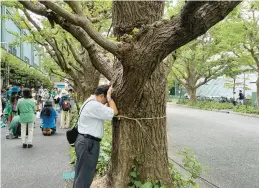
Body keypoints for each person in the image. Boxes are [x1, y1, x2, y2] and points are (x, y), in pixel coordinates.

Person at [73, 85, 118, 188]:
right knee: (85, 174)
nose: (106, 103)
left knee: (81, 173)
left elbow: (105, 110)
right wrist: (110, 97)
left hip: (84, 140)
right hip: (88, 142)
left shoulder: (90, 101)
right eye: (105, 100)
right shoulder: (94, 105)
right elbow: (114, 112)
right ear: (102, 95)